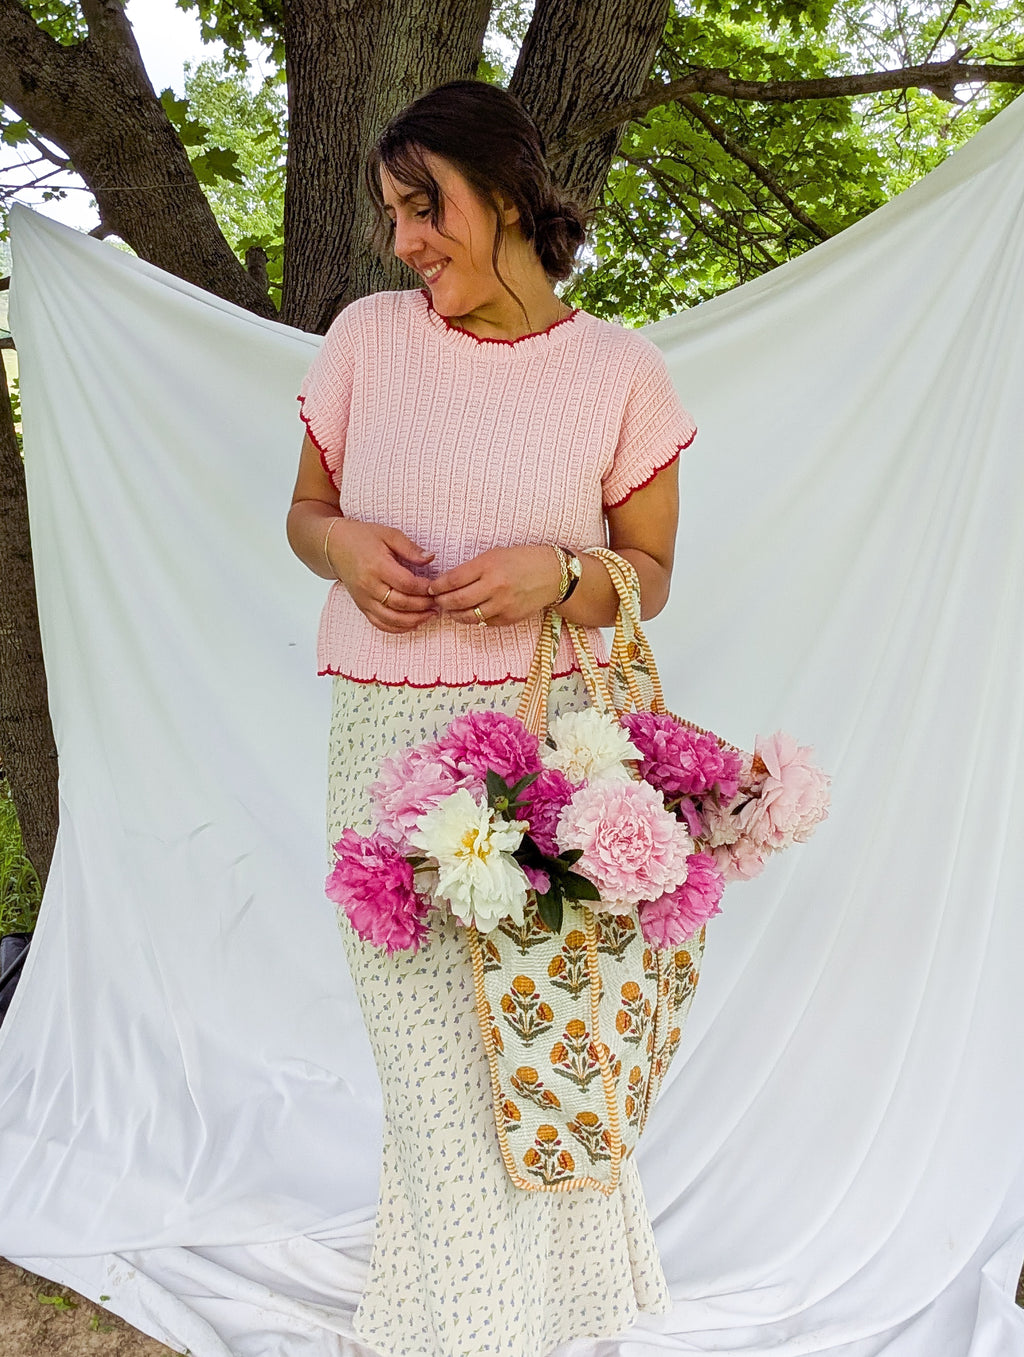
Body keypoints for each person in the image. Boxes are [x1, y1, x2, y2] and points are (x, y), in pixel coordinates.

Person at [285, 77, 698, 1357]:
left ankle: (473, 1324)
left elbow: (652, 579)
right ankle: (483, 1329)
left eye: (427, 207)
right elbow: (304, 516)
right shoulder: (364, 338)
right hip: (386, 746)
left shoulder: (620, 372)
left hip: (546, 754)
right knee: (428, 1068)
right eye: (393, 215)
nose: (405, 241)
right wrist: (342, 547)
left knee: (534, 1043)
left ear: (508, 195)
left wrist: (557, 577)